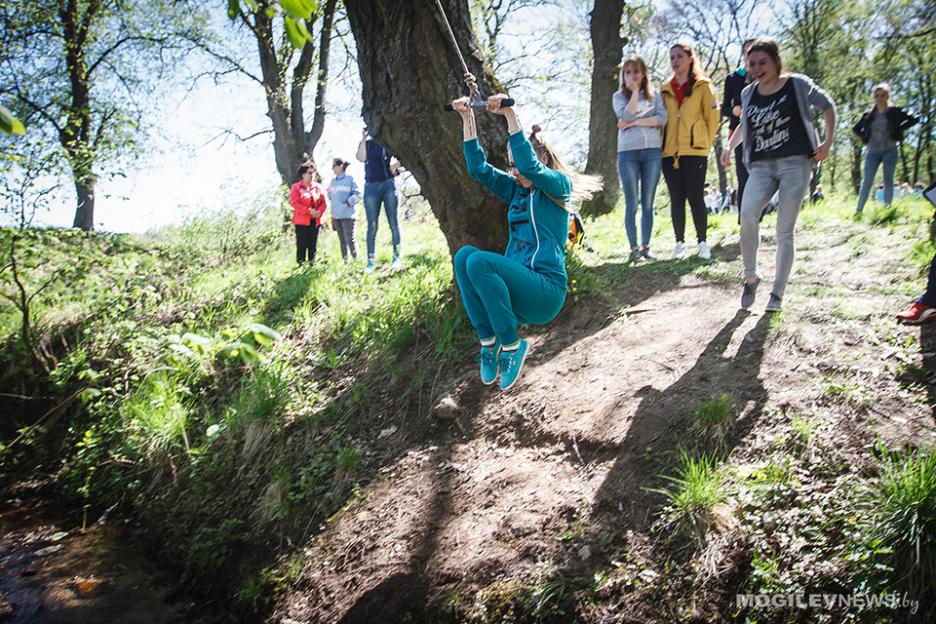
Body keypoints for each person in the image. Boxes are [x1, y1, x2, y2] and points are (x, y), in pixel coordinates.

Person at [451, 94, 600, 391]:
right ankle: (489, 343)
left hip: (546, 291)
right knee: (464, 256)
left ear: (541, 158)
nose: (515, 171)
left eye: (518, 163)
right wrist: (467, 120)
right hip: (518, 294)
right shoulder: (516, 191)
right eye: (511, 165)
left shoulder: (558, 187)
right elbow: (479, 169)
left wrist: (510, 116)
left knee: (480, 261)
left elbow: (530, 168)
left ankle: (512, 345)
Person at [722, 37, 836, 312]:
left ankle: (778, 293)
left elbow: (828, 106)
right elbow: (744, 126)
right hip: (761, 166)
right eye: (752, 63)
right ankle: (750, 276)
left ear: (776, 62)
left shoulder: (796, 84)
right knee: (747, 214)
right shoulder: (749, 93)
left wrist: (827, 143)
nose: (758, 68)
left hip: (795, 163)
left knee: (784, 229)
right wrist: (729, 146)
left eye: (763, 62)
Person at [660, 42, 720, 260]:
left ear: (690, 58)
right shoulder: (664, 89)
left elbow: (712, 118)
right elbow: (660, 120)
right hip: (669, 153)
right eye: (672, 57)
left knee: (696, 196)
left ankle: (702, 243)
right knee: (677, 198)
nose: (675, 61)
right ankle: (679, 244)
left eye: (679, 56)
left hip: (695, 151)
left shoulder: (703, 85)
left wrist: (703, 141)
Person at [613, 55, 667, 262]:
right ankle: (634, 248)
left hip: (652, 153)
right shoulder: (618, 97)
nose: (632, 76)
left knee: (648, 203)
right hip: (628, 154)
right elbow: (625, 116)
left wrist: (635, 122)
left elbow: (662, 118)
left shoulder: (655, 97)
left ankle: (646, 246)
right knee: (632, 203)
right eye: (628, 72)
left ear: (643, 73)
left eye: (636, 71)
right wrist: (634, 93)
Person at [853, 83, 919, 214]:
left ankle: (887, 210)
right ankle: (858, 211)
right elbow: (856, 128)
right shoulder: (869, 115)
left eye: (882, 95)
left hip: (890, 150)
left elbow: (914, 119)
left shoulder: (894, 112)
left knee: (888, 180)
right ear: (874, 98)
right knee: (867, 181)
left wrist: (899, 129)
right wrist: (865, 138)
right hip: (872, 151)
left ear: (888, 96)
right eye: (877, 95)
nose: (879, 98)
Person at [357, 130, 402, 271]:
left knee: (393, 223)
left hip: (388, 184)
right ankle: (370, 261)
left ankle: (396, 257)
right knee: (372, 225)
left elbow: (402, 159)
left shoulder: (388, 143)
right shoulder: (367, 144)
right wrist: (363, 139)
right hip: (371, 186)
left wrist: (395, 167)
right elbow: (361, 158)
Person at [722, 39, 756, 212]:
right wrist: (734, 110)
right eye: (747, 52)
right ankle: (743, 218)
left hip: (764, 131)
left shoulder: (765, 77)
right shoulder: (733, 78)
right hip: (739, 131)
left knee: (760, 174)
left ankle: (759, 215)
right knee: (743, 174)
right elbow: (724, 108)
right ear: (743, 55)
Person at [289, 161, 327, 265]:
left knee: (312, 245)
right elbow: (295, 203)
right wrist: (308, 211)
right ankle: (301, 267)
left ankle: (312, 266)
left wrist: (319, 211)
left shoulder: (318, 187)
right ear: (303, 174)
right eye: (310, 173)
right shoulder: (296, 187)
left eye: (313, 173)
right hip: (301, 221)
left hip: (315, 221)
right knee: (302, 245)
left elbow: (323, 202)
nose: (312, 175)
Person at [327, 158, 362, 263]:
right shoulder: (332, 182)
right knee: (342, 240)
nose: (332, 169)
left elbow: (358, 195)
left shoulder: (350, 179)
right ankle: (345, 262)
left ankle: (356, 260)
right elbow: (330, 196)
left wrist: (348, 202)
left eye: (334, 166)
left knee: (350, 239)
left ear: (340, 166)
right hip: (336, 215)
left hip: (348, 215)